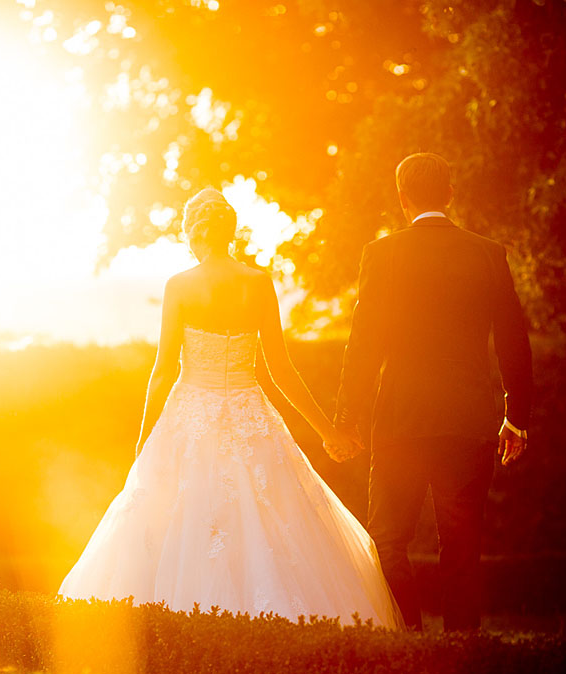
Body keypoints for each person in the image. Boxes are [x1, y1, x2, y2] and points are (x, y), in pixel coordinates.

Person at [58, 188, 403, 629]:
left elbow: (163, 371)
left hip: (190, 418)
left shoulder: (179, 286)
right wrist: (326, 431)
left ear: (193, 233)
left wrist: (145, 441)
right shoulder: (258, 283)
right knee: (268, 525)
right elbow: (281, 369)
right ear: (230, 231)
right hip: (250, 416)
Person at [328, 152, 533, 632]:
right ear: (450, 193)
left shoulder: (382, 254)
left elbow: (363, 345)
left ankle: (411, 642)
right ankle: (462, 650)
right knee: (461, 545)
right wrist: (517, 416)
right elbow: (513, 340)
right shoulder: (488, 253)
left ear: (402, 198)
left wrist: (347, 418)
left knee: (387, 538)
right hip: (467, 423)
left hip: (401, 421)